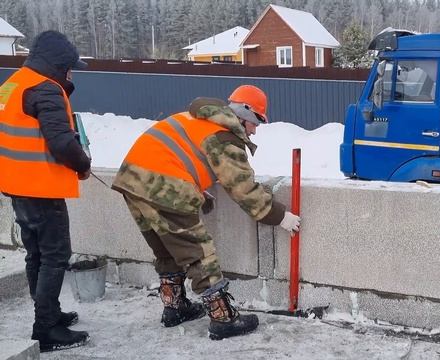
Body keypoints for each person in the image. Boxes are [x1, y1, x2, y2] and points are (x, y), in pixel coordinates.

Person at [111, 85, 301, 340]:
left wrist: (195, 189)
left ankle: (174, 307)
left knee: (166, 248)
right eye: (256, 121)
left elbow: (178, 157)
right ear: (243, 113)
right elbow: (244, 189)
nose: (255, 129)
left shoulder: (196, 119)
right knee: (199, 252)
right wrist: (280, 216)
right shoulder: (224, 137)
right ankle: (223, 318)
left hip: (132, 181)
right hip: (164, 188)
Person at [0, 31, 91, 352]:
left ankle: (48, 312)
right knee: (55, 256)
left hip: (16, 184)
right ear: (57, 64)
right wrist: (82, 164)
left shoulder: (14, 84)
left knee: (37, 254)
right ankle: (47, 328)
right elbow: (62, 142)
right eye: (69, 67)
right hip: (40, 186)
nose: (71, 73)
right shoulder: (46, 89)